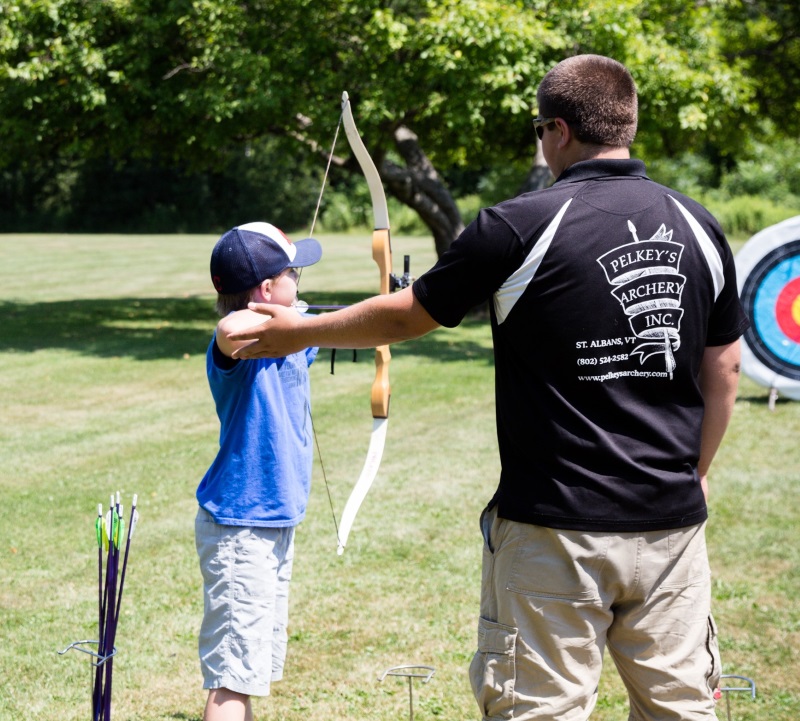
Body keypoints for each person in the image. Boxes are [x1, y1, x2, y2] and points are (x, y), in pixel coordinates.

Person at [229, 55, 749, 721]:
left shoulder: (517, 224)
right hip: (671, 524)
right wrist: (695, 470)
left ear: (558, 129)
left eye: (540, 128)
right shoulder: (699, 224)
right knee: (680, 709)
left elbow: (409, 313)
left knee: (541, 710)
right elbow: (725, 364)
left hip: (552, 527)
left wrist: (301, 330)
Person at [195, 221, 322, 721]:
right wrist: (286, 320)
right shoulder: (238, 349)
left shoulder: (294, 331)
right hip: (240, 528)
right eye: (294, 272)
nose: (301, 282)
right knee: (233, 679)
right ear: (267, 290)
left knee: (251, 669)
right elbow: (230, 330)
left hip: (271, 521)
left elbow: (342, 322)